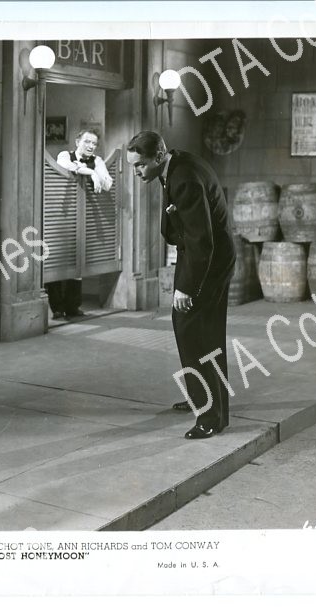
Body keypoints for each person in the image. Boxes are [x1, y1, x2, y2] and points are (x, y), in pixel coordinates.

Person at [126, 131, 236, 439]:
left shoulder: (184, 177)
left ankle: (210, 417)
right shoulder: (176, 165)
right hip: (203, 256)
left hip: (208, 262)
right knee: (197, 331)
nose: (136, 172)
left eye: (140, 165)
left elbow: (202, 241)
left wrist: (186, 287)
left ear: (158, 156)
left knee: (197, 333)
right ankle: (202, 397)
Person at [46, 129, 113, 319]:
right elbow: (65, 166)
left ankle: (72, 306)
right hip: (61, 214)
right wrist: (90, 172)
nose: (91, 146)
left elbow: (108, 183)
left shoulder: (97, 160)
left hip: (83, 216)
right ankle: (56, 307)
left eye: (94, 143)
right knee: (57, 260)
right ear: (77, 142)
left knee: (78, 260)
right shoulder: (65, 155)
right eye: (87, 142)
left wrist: (97, 172)